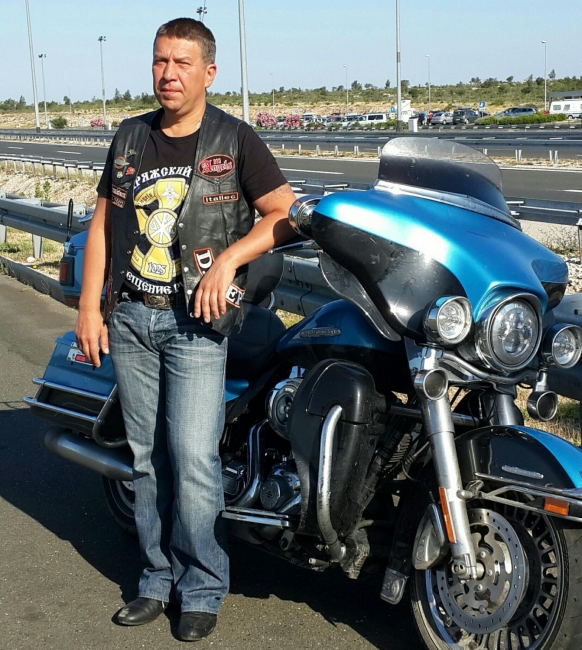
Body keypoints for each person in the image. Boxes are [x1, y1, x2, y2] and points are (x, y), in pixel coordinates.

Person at [75, 17, 295, 642]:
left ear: (208, 73)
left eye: (181, 63)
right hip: (132, 317)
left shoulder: (235, 139)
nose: (167, 74)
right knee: (148, 458)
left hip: (196, 323)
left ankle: (201, 585)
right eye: (159, 61)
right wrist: (89, 307)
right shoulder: (129, 138)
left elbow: (285, 214)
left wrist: (228, 260)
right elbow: (102, 224)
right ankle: (155, 579)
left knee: (194, 457)